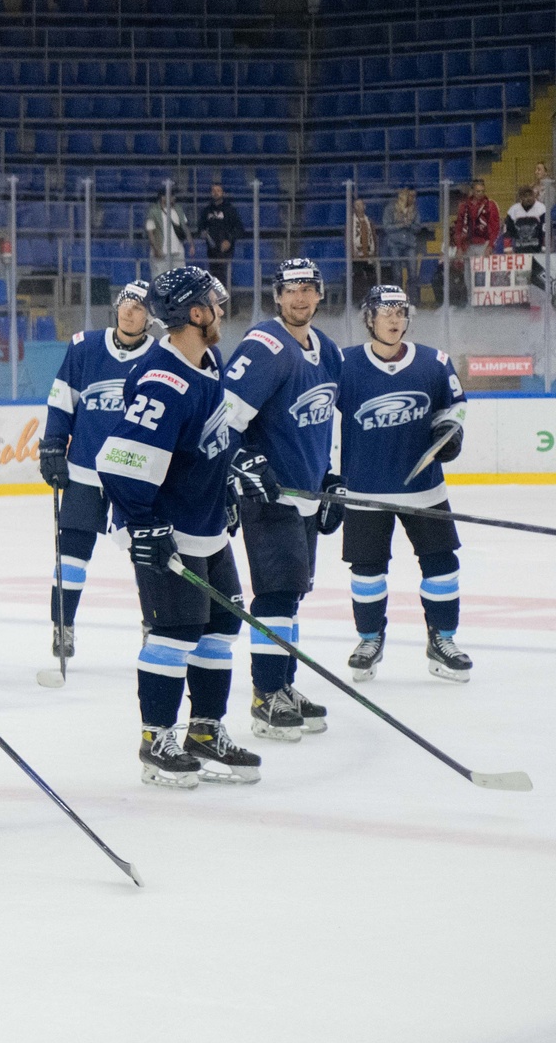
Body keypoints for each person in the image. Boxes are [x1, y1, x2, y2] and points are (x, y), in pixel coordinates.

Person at [92, 264, 258, 786]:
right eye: (214, 302)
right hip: (166, 525)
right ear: (195, 312)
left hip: (205, 521)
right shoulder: (163, 381)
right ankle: (156, 738)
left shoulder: (209, 360)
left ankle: (205, 731)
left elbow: (207, 438)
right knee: (175, 631)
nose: (222, 309)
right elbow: (118, 461)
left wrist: (230, 479)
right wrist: (143, 525)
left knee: (221, 626)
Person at [218, 256, 344, 742]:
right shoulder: (265, 346)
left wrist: (331, 478)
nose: (300, 297)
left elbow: (324, 422)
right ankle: (266, 694)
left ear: (320, 293)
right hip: (267, 494)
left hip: (305, 494)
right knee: (275, 593)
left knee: (291, 593)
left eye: (308, 288)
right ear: (277, 296)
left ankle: (284, 684)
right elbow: (223, 419)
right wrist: (242, 462)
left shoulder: (327, 351)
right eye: (291, 289)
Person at [328, 282, 471, 684]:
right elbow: (318, 416)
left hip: (425, 489)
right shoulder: (343, 364)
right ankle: (369, 639)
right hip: (364, 490)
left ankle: (443, 639)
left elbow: (454, 407)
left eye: (400, 312)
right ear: (369, 318)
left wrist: (449, 432)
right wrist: (323, 473)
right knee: (367, 570)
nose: (394, 320)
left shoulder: (434, 362)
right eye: (385, 312)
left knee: (441, 564)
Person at [37, 280, 153, 666]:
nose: (129, 312)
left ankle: (154, 624)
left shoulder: (160, 357)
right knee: (72, 553)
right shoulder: (84, 346)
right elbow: (62, 399)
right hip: (85, 469)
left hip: (135, 475)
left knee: (147, 553)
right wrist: (53, 445)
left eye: (139, 307)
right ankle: (62, 624)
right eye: (126, 304)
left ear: (150, 317)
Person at [448, 181, 500, 304]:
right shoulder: (464, 206)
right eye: (478, 191)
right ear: (472, 191)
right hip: (468, 244)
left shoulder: (490, 205)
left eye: (482, 191)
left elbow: (495, 227)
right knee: (468, 274)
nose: (480, 193)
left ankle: (484, 301)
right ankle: (471, 301)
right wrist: (459, 247)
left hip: (483, 243)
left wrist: (490, 245)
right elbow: (459, 227)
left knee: (483, 273)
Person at [200, 183, 246, 279]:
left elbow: (239, 228)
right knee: (214, 275)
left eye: (218, 190)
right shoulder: (207, 210)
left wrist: (229, 240)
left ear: (223, 193)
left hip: (226, 249)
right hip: (211, 249)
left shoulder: (230, 210)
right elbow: (201, 226)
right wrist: (203, 233)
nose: (215, 193)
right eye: (213, 191)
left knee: (224, 275)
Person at [145, 184, 188, 269]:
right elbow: (150, 233)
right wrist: (155, 249)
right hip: (161, 253)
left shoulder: (178, 210)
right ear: (163, 197)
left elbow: (185, 227)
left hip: (177, 253)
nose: (174, 198)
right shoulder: (153, 212)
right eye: (171, 196)